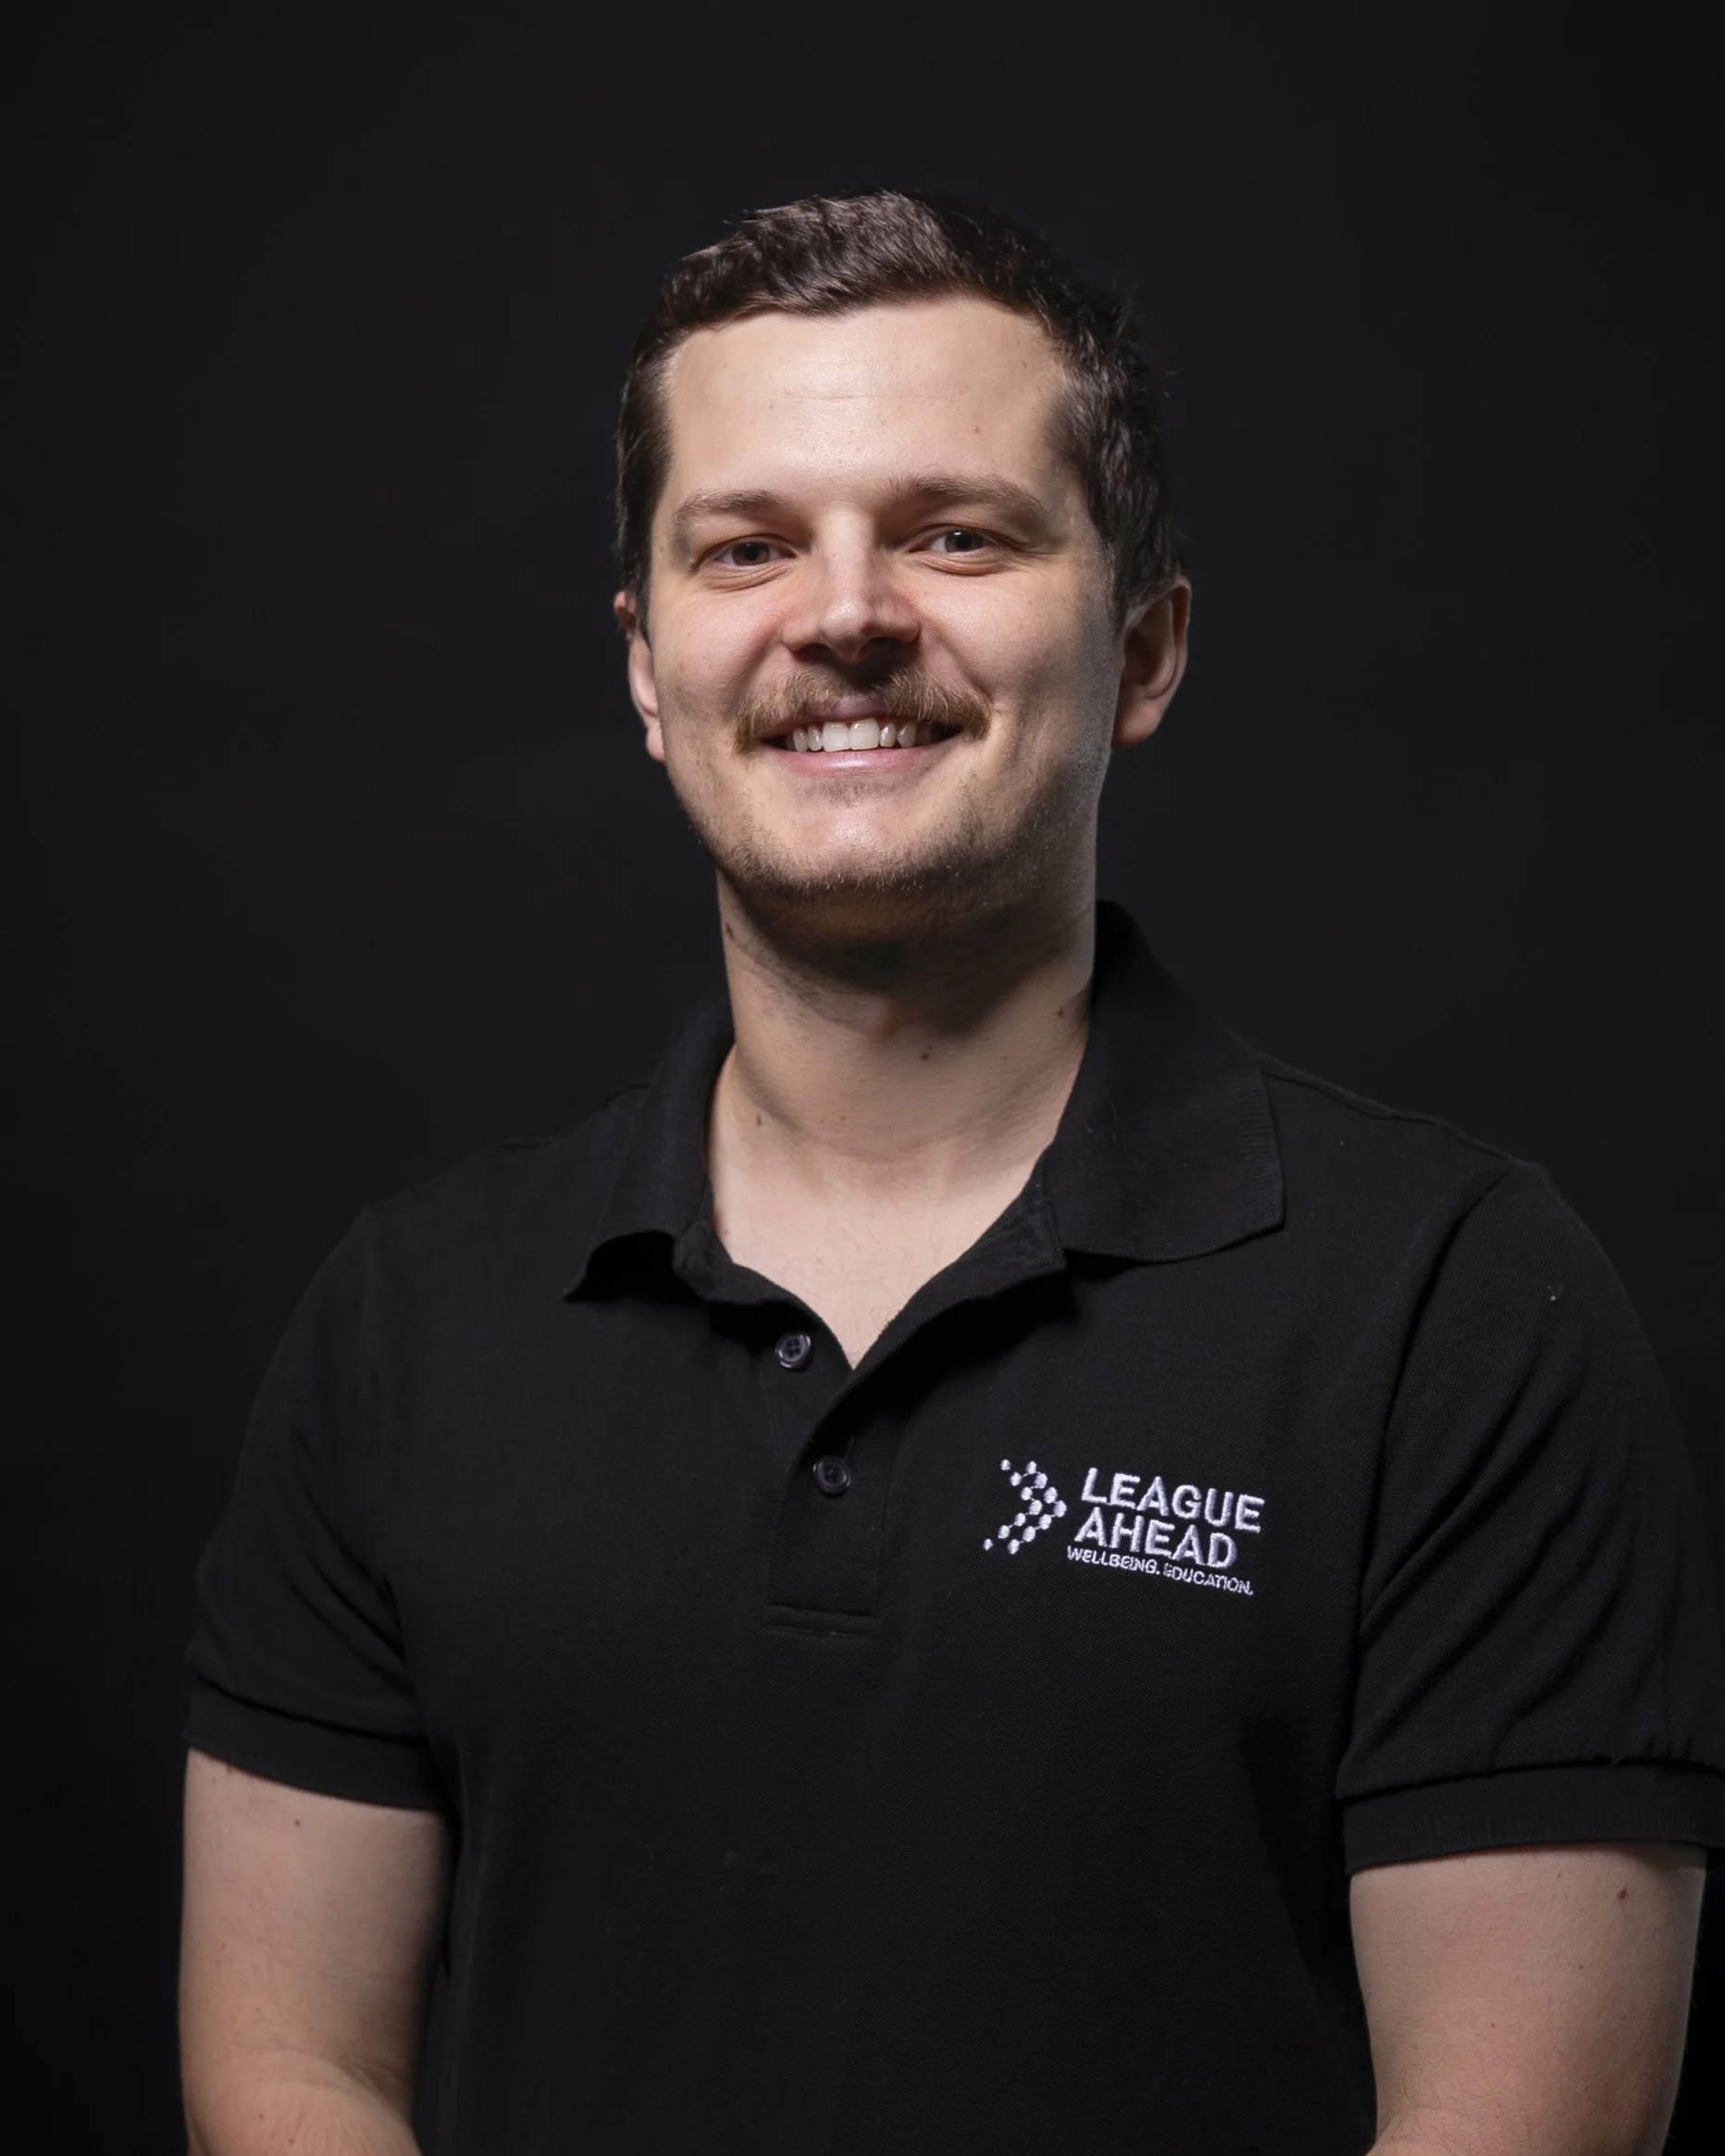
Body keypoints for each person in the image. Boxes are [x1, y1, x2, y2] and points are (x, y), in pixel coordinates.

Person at [180, 191, 1725, 2155]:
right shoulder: (409, 1318)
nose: (843, 613)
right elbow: (290, 2069)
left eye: (955, 535)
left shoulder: (1456, 1308)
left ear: (1144, 645)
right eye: (747, 547)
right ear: (649, 670)